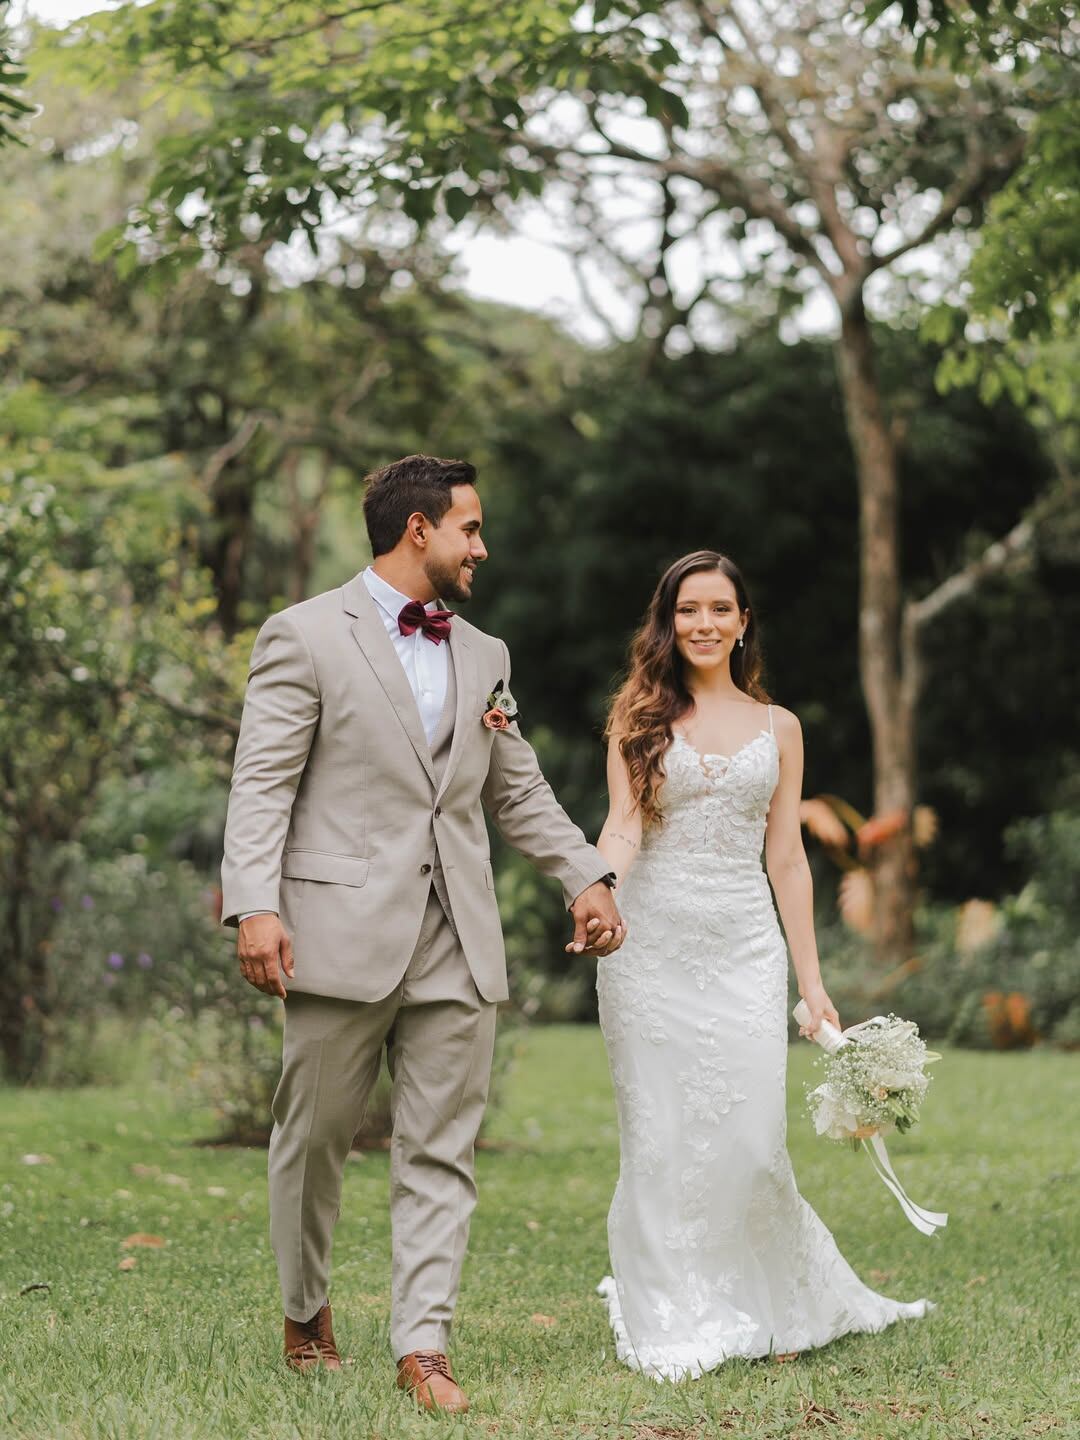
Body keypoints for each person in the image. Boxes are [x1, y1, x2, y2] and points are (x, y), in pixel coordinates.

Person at [220, 454, 623, 1412]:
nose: (482, 546)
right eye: (470, 529)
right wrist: (255, 903)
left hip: (458, 934)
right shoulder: (305, 635)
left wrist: (587, 875)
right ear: (419, 531)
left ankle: (424, 1346)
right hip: (336, 930)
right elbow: (263, 781)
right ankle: (306, 1314)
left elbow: (513, 787)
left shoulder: (486, 655)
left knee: (441, 1146)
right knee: (313, 1138)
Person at [594, 550, 930, 1381]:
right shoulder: (636, 717)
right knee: (661, 1137)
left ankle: (763, 1290)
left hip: (745, 948)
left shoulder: (781, 729)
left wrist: (811, 983)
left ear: (744, 623)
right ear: (666, 623)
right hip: (651, 947)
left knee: (749, 1138)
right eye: (686, 610)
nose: (703, 624)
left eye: (719, 609)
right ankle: (671, 1304)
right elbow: (624, 828)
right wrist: (598, 892)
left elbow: (787, 859)